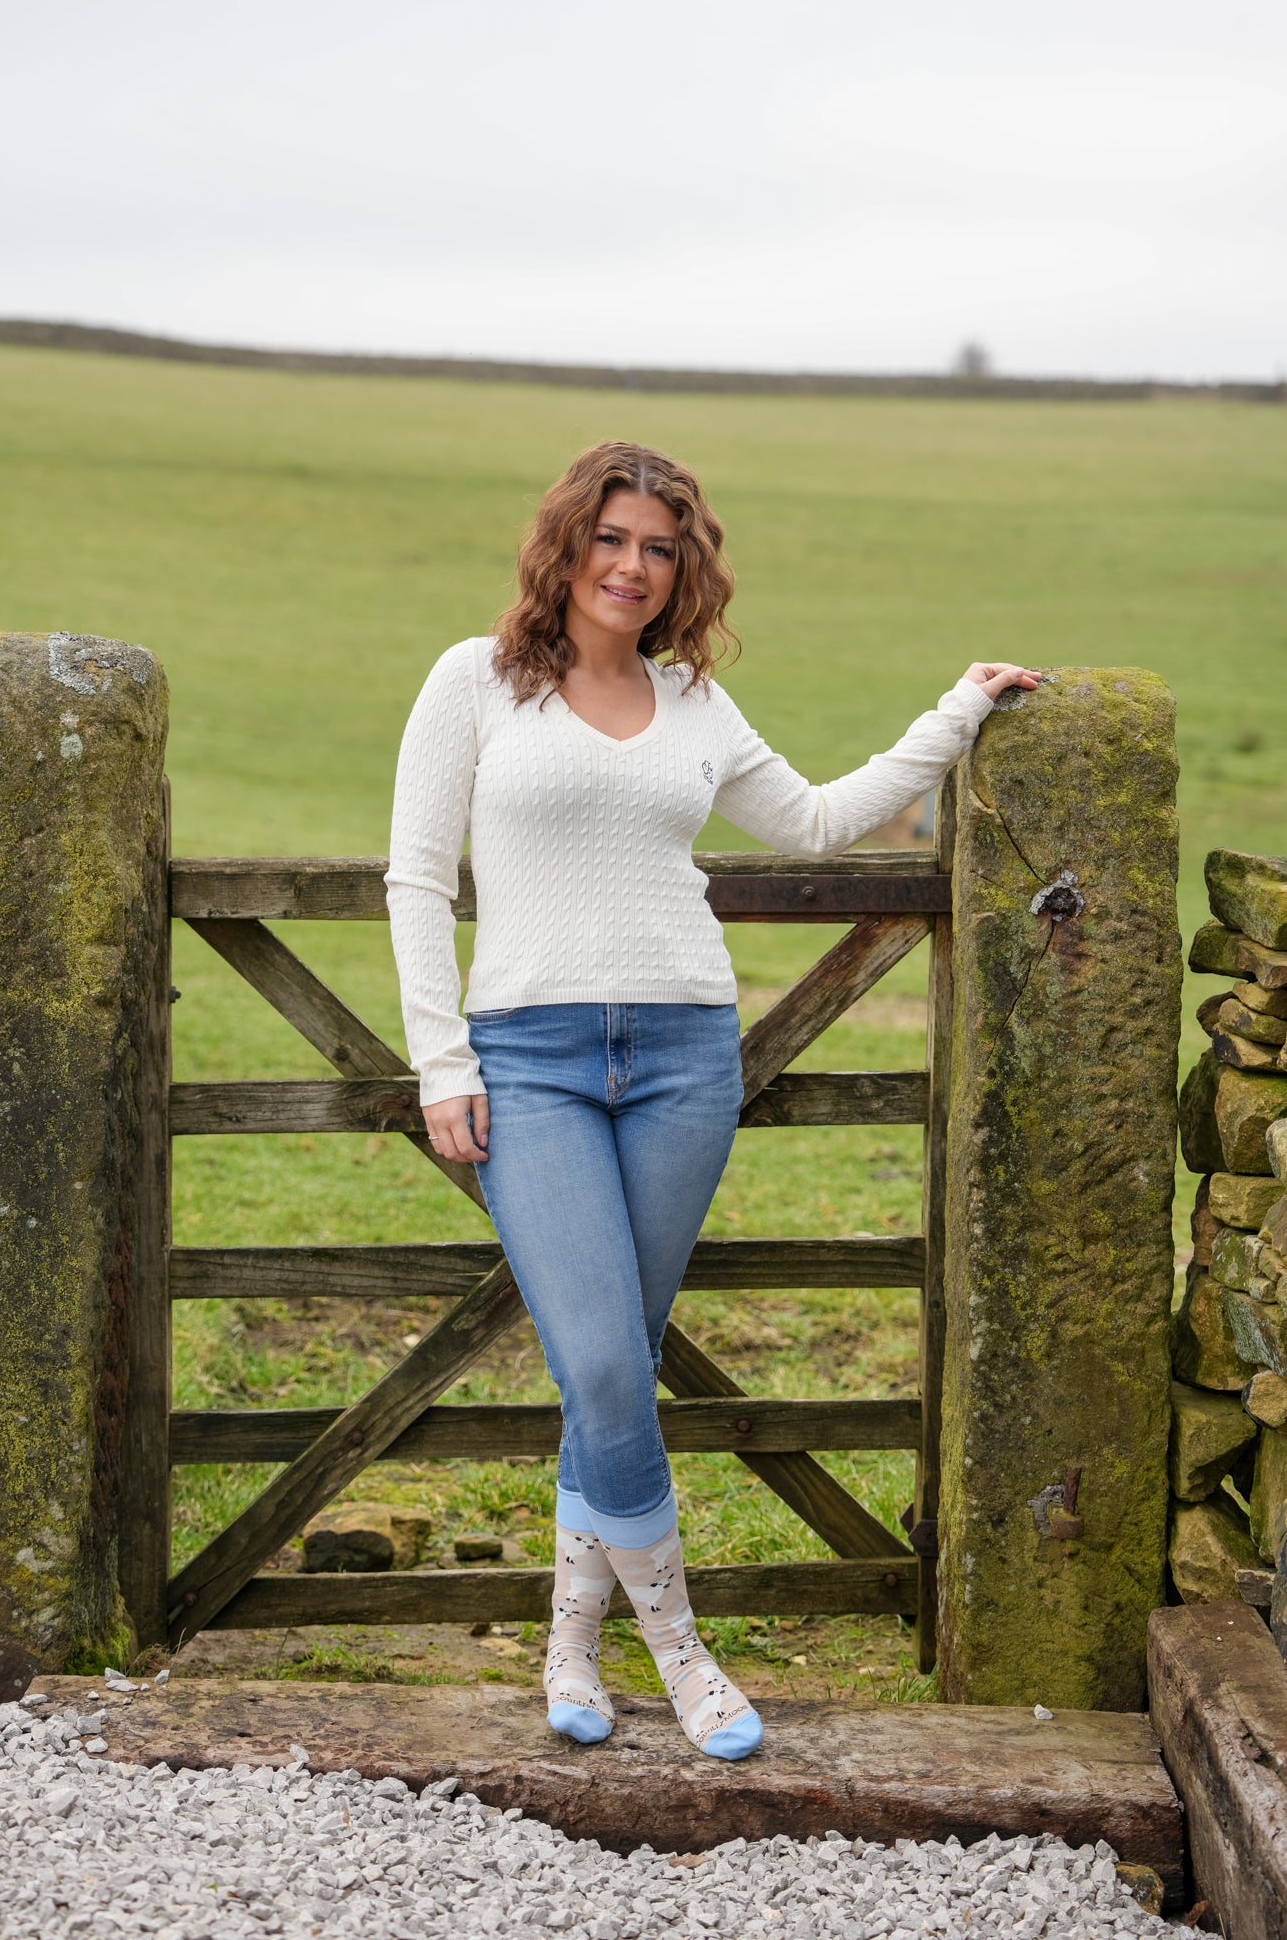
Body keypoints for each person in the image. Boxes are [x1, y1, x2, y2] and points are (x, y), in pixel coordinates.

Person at [387, 440, 1038, 1761]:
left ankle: (570, 1643)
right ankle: (682, 1656)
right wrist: (440, 1059)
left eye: (659, 547)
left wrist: (953, 711)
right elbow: (412, 875)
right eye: (610, 538)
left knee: (603, 1373)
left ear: (684, 568)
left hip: (685, 1056)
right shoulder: (477, 680)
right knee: (613, 1368)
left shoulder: (690, 698)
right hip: (532, 1062)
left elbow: (808, 823)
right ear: (564, 547)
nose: (630, 566)